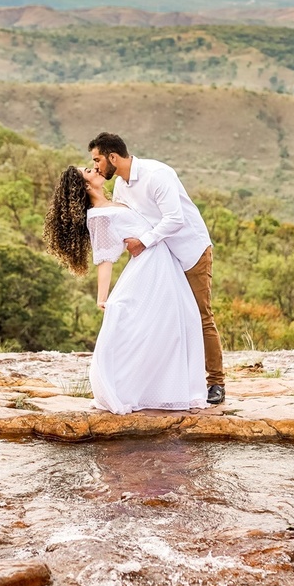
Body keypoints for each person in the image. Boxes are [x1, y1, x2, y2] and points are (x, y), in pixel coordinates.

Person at [44, 166, 208, 414]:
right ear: (85, 186)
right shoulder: (98, 216)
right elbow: (105, 258)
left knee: (179, 324)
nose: (96, 169)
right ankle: (126, 388)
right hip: (148, 271)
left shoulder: (118, 201)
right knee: (147, 329)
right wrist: (102, 297)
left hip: (162, 264)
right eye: (88, 170)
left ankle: (171, 389)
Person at [88, 132, 226, 405]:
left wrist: (144, 241)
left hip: (189, 252)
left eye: (98, 160)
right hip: (158, 261)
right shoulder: (120, 188)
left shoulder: (157, 174)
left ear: (113, 157)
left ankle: (216, 382)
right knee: (167, 321)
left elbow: (174, 219)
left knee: (200, 316)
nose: (95, 167)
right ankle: (170, 385)